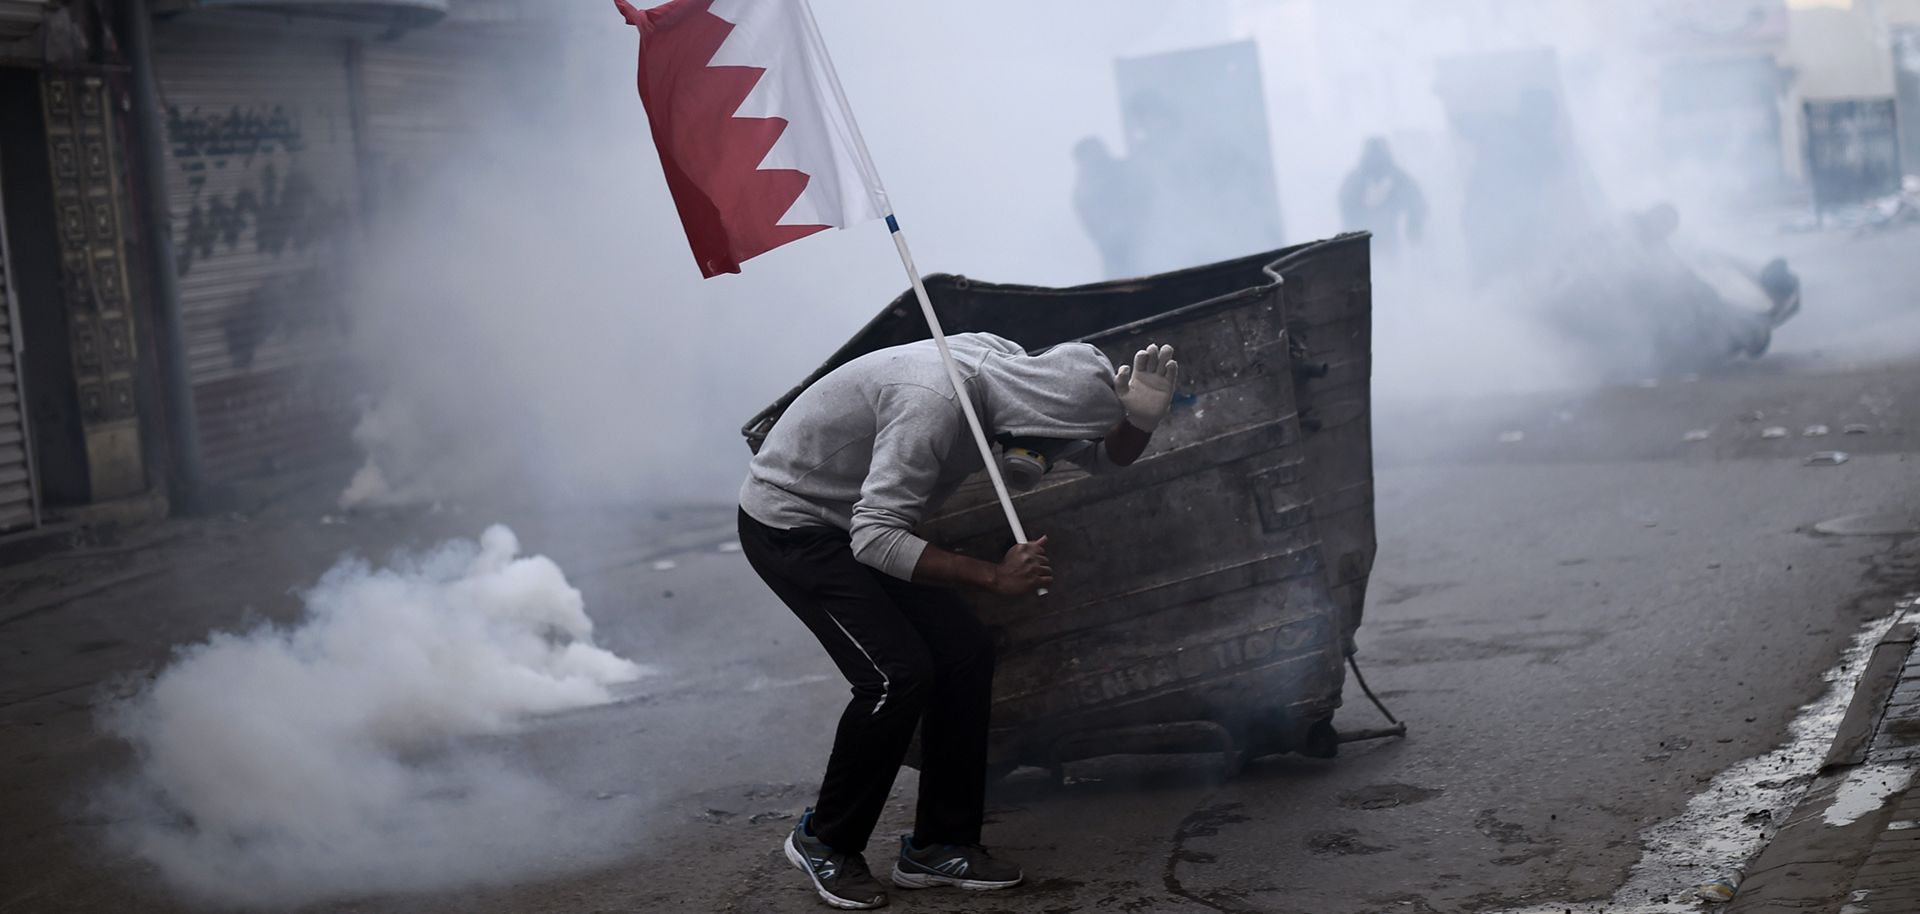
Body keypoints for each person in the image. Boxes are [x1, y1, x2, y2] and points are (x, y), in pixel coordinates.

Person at [737, 333, 1178, 909]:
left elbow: (1100, 459)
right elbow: (874, 539)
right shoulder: (932, 403)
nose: (1038, 463)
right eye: (1040, 450)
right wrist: (993, 577)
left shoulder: (1028, 386)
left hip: (861, 518)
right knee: (897, 675)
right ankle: (825, 840)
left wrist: (1139, 420)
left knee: (965, 650)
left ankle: (939, 846)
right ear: (1032, 417)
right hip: (794, 523)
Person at [1339, 137, 1428, 261]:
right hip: (1362, 241)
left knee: (1381, 270)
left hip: (1379, 241)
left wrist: (1414, 225)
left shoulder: (1395, 178)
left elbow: (1416, 202)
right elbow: (1346, 205)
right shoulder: (1358, 179)